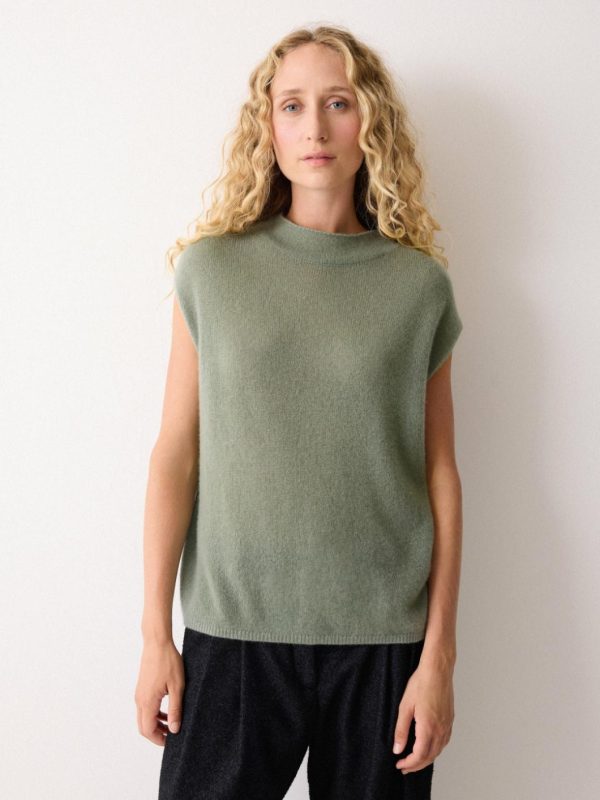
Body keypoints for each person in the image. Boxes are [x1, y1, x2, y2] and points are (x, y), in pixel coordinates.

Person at [135, 23, 463, 800]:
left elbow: (439, 474)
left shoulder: (418, 286)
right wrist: (155, 635)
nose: (314, 127)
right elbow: (176, 452)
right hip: (234, 632)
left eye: (338, 103)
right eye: (292, 105)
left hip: (383, 642)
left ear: (369, 120)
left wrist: (439, 657)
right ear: (268, 127)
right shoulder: (212, 272)